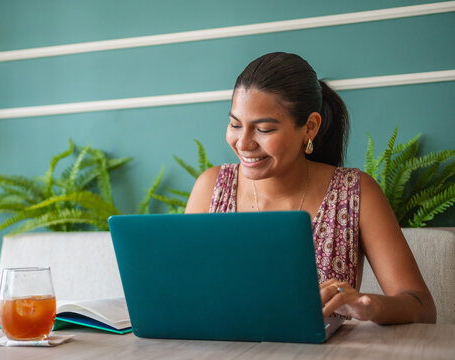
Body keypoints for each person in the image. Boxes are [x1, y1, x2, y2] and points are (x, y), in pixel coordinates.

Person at [185, 52, 436, 324]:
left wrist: (369, 307)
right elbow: (182, 290)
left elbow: (422, 308)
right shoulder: (211, 188)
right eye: (235, 124)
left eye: (264, 129)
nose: (243, 143)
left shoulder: (355, 193)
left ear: (310, 127)